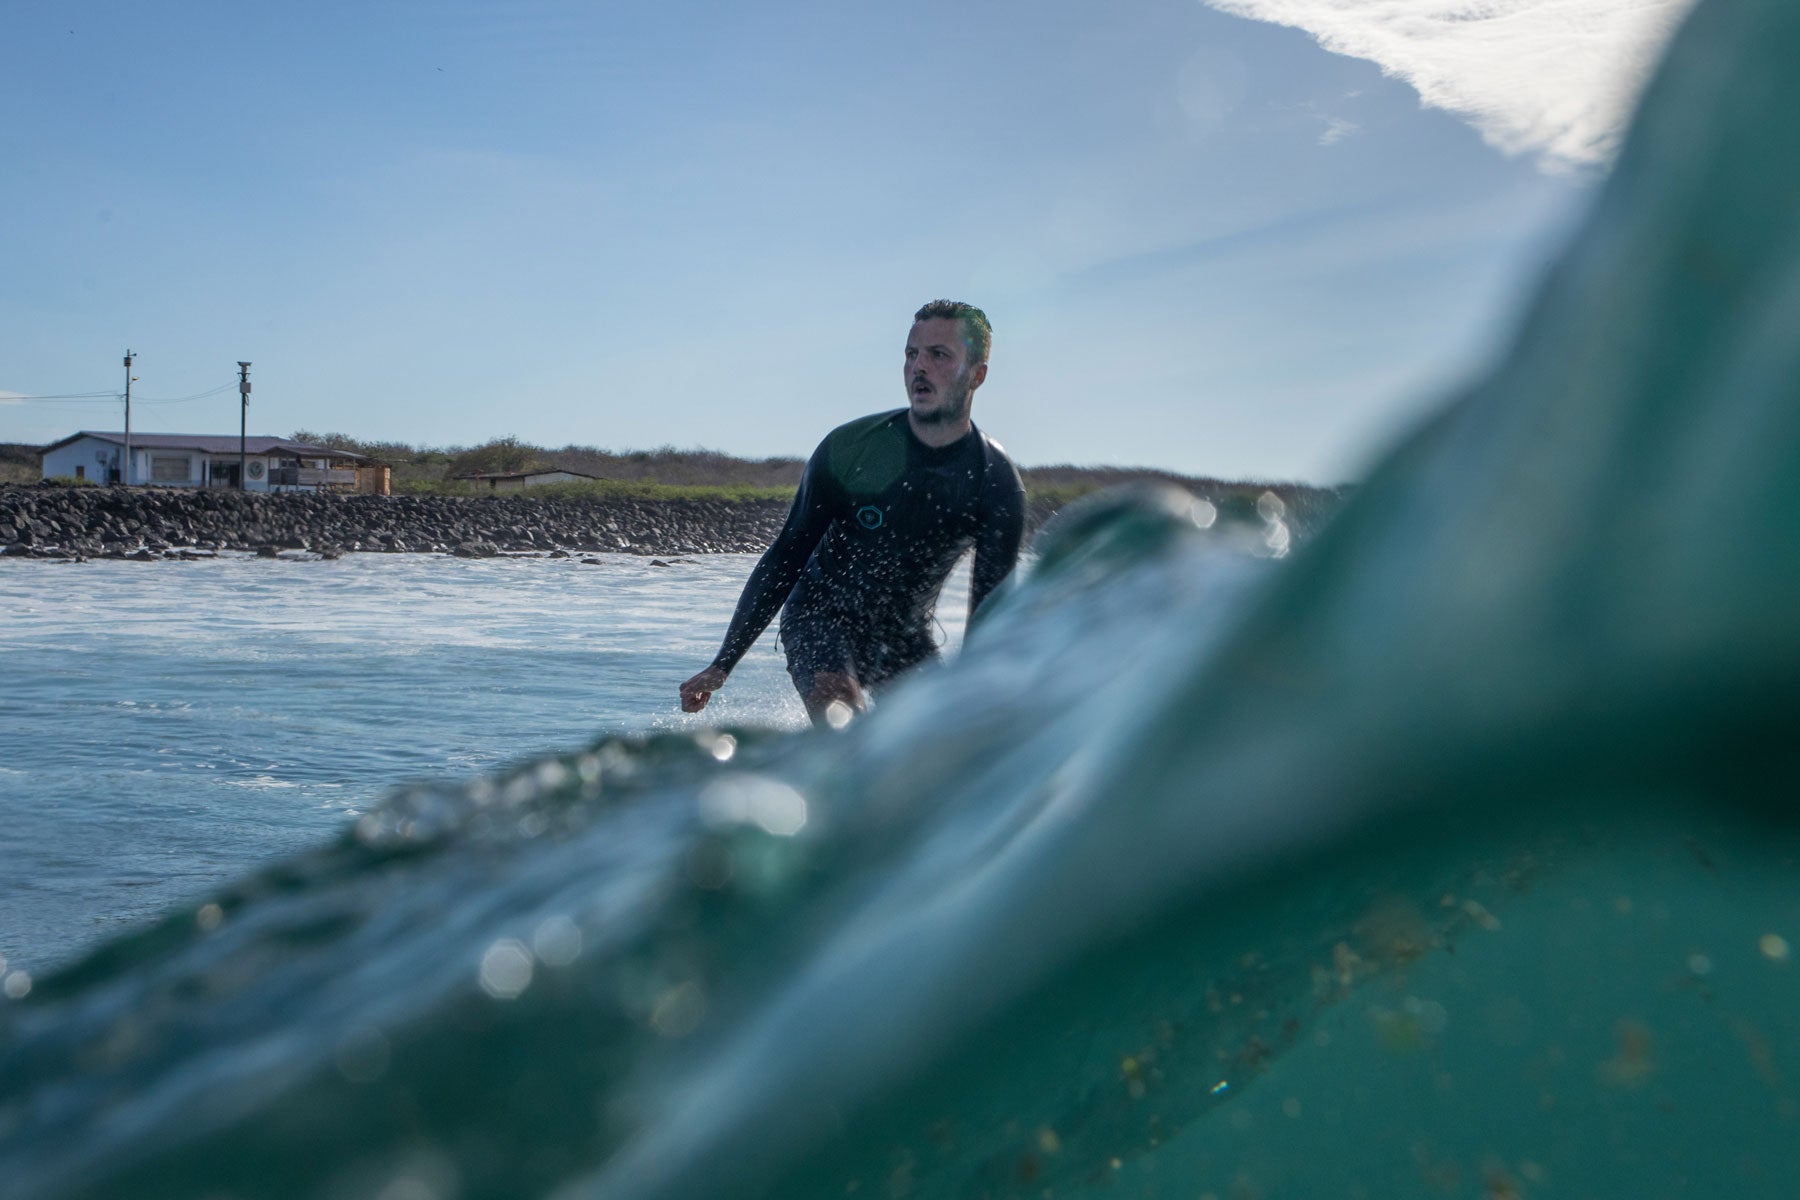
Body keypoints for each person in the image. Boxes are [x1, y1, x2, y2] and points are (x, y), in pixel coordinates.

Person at [680, 299, 1026, 723]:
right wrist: (722, 664)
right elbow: (786, 554)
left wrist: (976, 705)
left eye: (939, 355)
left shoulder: (994, 482)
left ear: (977, 374)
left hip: (904, 636)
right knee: (845, 723)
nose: (919, 366)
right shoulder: (853, 449)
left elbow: (991, 612)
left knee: (942, 748)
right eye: (912, 353)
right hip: (820, 617)